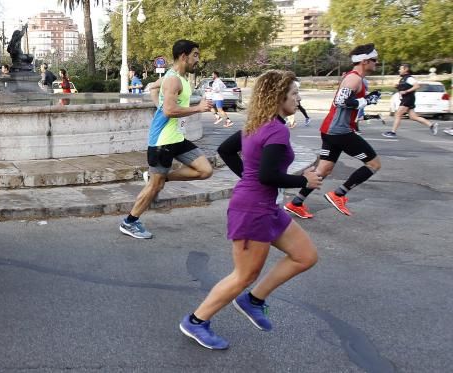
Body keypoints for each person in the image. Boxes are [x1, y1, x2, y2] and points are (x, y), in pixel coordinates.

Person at [180, 69, 321, 350]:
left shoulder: (259, 123)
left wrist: (247, 176)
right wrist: (304, 179)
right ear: (278, 96)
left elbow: (225, 150)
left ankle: (253, 300)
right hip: (253, 210)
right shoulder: (276, 129)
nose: (298, 98)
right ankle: (196, 321)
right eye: (293, 93)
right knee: (243, 275)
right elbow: (268, 175)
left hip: (266, 206)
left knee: (305, 256)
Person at [119, 40, 214, 239]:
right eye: (195, 54)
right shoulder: (173, 80)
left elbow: (153, 88)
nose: (198, 59)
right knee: (155, 186)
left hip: (177, 138)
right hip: (162, 141)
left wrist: (158, 106)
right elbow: (170, 110)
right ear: (183, 56)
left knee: (205, 170)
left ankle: (163, 177)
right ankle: (130, 221)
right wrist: (198, 108)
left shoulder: (179, 78)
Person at [284, 44, 383, 219]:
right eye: (374, 60)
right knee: (373, 164)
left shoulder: (356, 78)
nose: (377, 63)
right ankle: (338, 194)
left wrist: (366, 102)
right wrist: (366, 101)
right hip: (340, 131)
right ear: (365, 61)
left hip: (331, 130)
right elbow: (341, 101)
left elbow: (346, 103)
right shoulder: (354, 79)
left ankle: (296, 203)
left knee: (323, 169)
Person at [383, 63, 437, 137]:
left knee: (398, 114)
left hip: (408, 99)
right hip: (408, 99)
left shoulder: (409, 78)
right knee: (413, 117)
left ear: (406, 69)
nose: (399, 70)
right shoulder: (403, 79)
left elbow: (417, 85)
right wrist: (397, 87)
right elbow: (404, 88)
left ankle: (393, 132)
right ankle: (431, 125)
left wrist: (406, 91)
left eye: (400, 69)